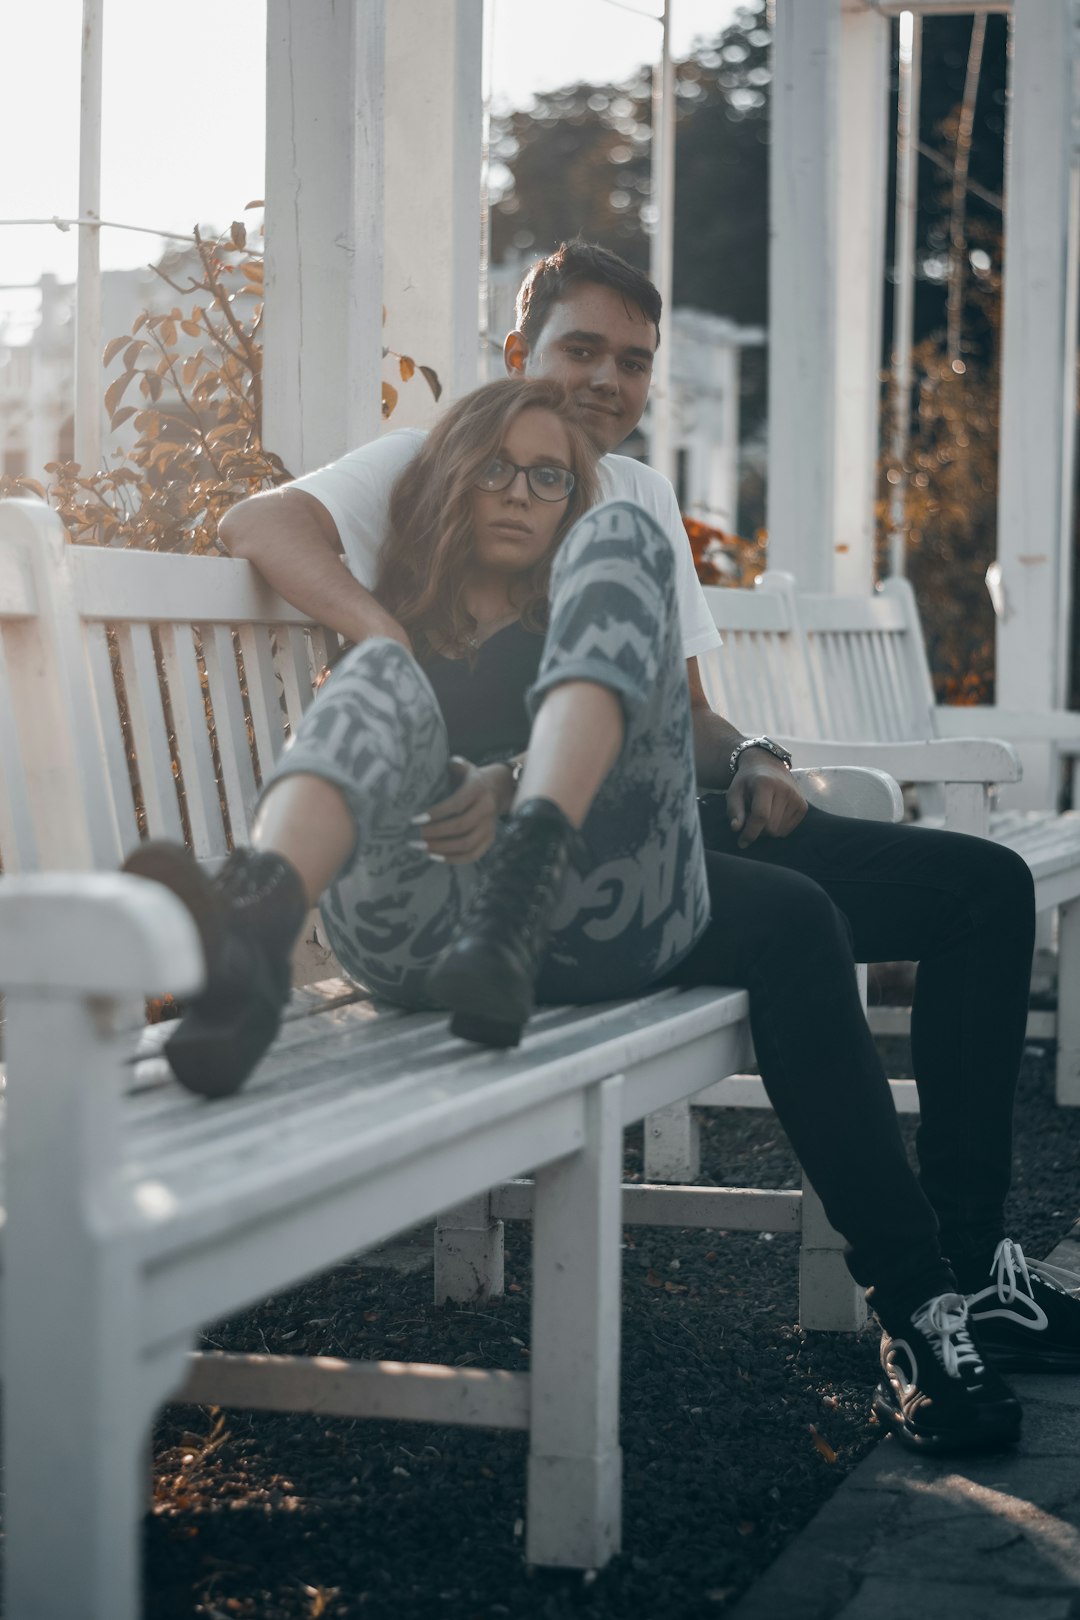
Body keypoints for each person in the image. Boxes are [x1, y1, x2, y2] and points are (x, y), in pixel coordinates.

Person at [175, 242, 1080, 1456]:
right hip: (507, 874)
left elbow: (685, 709)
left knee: (980, 888)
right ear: (518, 355)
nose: (607, 379)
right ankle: (915, 1308)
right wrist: (389, 642)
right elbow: (261, 521)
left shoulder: (636, 497)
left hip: (652, 832)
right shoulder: (446, 460)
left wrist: (754, 753)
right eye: (581, 349)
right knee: (792, 927)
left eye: (633, 362)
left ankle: (970, 1278)